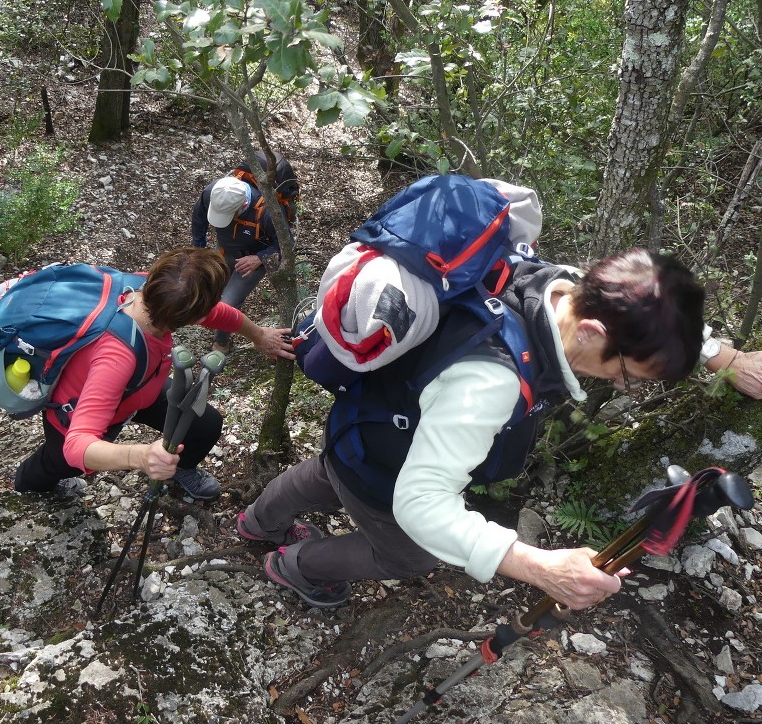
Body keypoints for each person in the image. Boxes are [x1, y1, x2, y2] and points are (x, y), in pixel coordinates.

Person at [237, 248, 710, 609]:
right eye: (629, 374)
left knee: (326, 473)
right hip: (385, 466)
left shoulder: (544, 279)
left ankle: (257, 522)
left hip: (360, 420)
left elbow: (654, 305)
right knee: (411, 555)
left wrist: (725, 357)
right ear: (591, 332)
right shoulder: (491, 381)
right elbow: (420, 502)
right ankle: (294, 565)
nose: (624, 386)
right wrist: (537, 566)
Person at [0, 248, 296, 501]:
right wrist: (140, 456)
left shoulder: (152, 291)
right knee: (62, 465)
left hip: (140, 386)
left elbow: (217, 313)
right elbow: (77, 445)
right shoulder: (117, 355)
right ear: (189, 316)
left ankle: (181, 470)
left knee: (205, 424)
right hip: (82, 409)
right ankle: (27, 488)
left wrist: (258, 335)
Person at [191, 151, 300, 354]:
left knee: (227, 303)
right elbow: (198, 220)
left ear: (242, 205)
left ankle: (221, 343)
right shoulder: (213, 192)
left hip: (251, 261)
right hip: (223, 252)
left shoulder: (267, 211)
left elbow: (286, 244)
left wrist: (259, 258)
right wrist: (198, 250)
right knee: (207, 289)